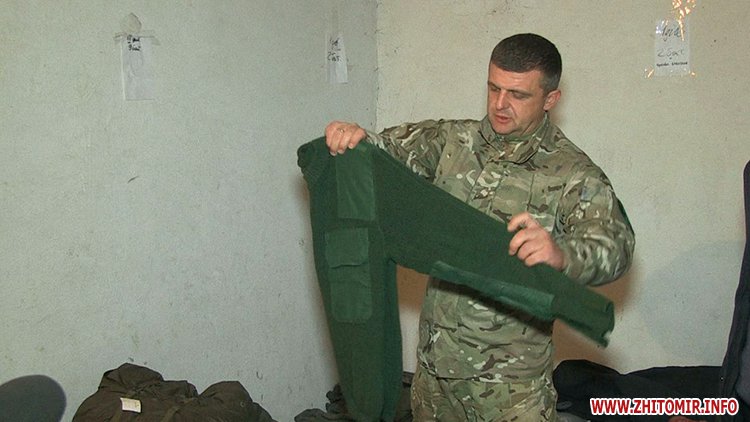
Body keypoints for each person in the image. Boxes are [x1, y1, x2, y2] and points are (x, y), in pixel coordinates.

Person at [324, 33, 635, 421]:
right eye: (493, 88)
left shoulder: (571, 172)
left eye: (518, 94)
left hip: (509, 393)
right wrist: (355, 138)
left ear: (550, 99)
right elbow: (387, 152)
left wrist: (562, 254)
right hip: (435, 380)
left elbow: (615, 244)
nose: (500, 104)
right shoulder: (454, 141)